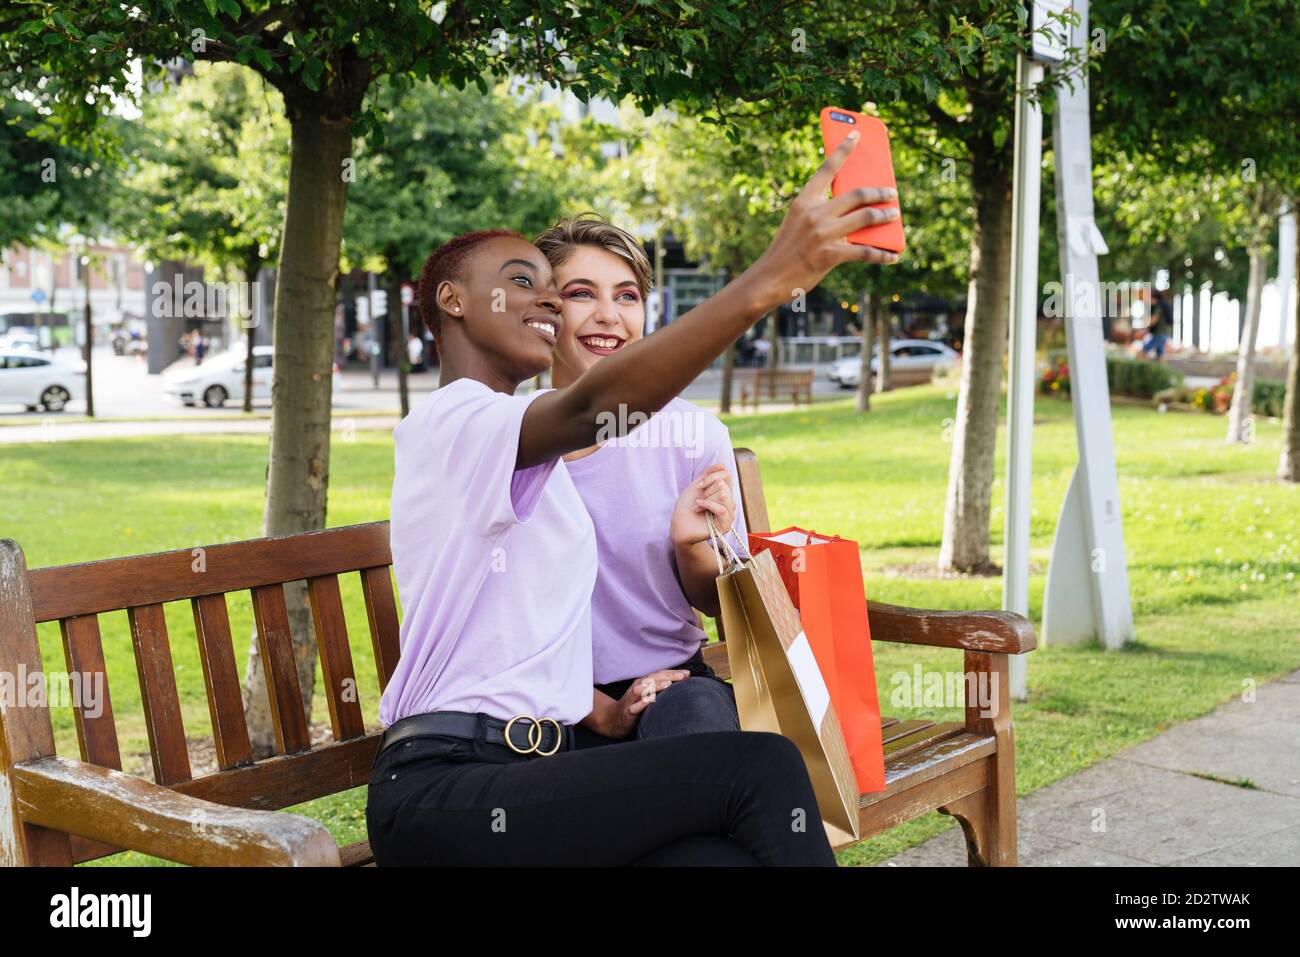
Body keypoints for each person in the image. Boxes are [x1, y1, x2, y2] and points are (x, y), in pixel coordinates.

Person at [365, 133, 900, 866]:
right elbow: (593, 409)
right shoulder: (452, 422)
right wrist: (775, 276)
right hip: (444, 785)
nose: (552, 303)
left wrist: (611, 707)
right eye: (530, 283)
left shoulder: (533, 476)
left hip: (540, 771)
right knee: (765, 768)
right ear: (453, 299)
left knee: (717, 860)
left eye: (555, 291)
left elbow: (520, 636)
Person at [535, 214, 746, 746]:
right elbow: (492, 624)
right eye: (582, 293)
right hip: (547, 701)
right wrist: (602, 710)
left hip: (672, 689)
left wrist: (691, 543)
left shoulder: (692, 434)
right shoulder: (510, 439)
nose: (609, 316)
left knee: (697, 736)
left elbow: (723, 605)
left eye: (627, 297)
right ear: (544, 309)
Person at [1142, 289, 1172, 361]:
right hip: (1163, 333)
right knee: (1160, 355)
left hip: (1159, 333)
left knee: (1143, 351)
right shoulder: (1162, 305)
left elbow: (1154, 320)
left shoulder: (1158, 307)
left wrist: (1144, 329)